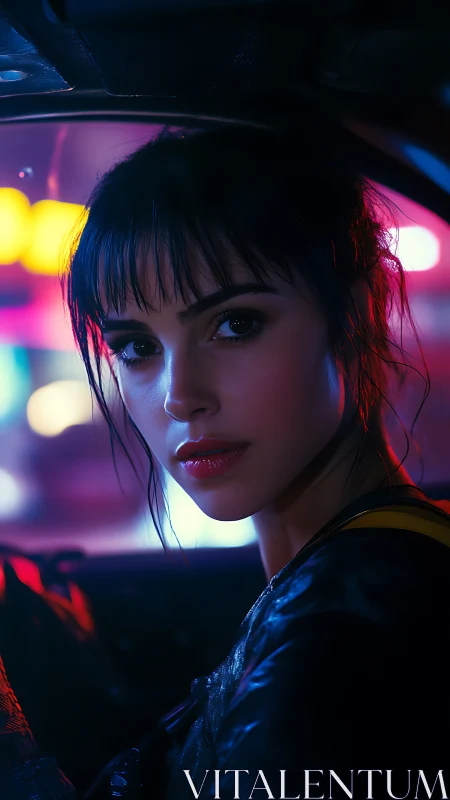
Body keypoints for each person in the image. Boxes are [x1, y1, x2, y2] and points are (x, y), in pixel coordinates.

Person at [2, 120, 450, 800]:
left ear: (353, 317)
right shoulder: (359, 574)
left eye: (235, 324)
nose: (181, 397)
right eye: (136, 347)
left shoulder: (344, 637)